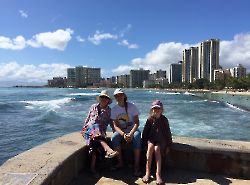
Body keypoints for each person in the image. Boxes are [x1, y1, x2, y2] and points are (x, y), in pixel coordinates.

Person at [81, 90, 118, 177]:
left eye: (106, 98)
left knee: (95, 146)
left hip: (99, 133)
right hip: (88, 131)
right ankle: (108, 150)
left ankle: (93, 169)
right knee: (95, 125)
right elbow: (87, 119)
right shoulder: (93, 106)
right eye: (102, 97)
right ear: (99, 99)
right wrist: (83, 129)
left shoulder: (110, 111)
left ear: (108, 101)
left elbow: (112, 124)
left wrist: (116, 133)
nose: (104, 99)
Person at [111, 88, 142, 176]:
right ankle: (120, 163)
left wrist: (131, 133)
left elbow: (137, 122)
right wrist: (123, 134)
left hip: (133, 130)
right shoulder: (114, 109)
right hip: (122, 131)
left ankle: (136, 166)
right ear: (115, 98)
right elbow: (115, 126)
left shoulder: (132, 106)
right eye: (116, 96)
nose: (119, 97)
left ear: (124, 96)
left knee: (136, 137)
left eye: (120, 95)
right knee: (114, 138)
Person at [142, 100, 172, 185]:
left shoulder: (164, 120)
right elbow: (145, 133)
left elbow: (168, 133)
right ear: (152, 110)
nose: (156, 110)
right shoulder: (150, 119)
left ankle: (158, 174)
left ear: (162, 110)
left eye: (158, 109)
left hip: (161, 140)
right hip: (151, 139)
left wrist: (169, 145)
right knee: (151, 147)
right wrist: (144, 144)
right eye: (154, 109)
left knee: (157, 149)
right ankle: (147, 172)